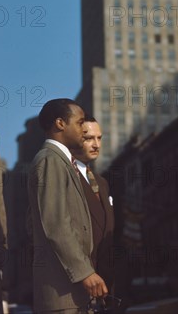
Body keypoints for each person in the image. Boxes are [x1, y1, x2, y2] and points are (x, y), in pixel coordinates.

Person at [27, 99, 108, 314]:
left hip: (73, 293)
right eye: (80, 122)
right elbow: (55, 223)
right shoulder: (50, 160)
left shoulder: (63, 162)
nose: (84, 128)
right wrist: (85, 273)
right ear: (60, 124)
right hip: (62, 293)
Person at [70, 115, 115, 292]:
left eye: (99, 138)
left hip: (105, 283)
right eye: (88, 138)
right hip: (74, 283)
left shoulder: (102, 182)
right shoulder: (63, 175)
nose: (96, 144)